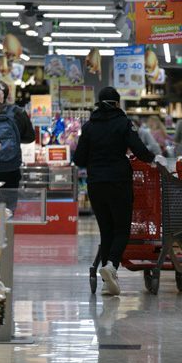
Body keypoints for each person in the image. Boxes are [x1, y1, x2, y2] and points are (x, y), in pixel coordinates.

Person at [73, 87, 167, 296]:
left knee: (106, 231)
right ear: (117, 104)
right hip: (119, 182)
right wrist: (155, 160)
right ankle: (111, 266)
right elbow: (139, 149)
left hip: (96, 184)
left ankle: (108, 282)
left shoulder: (88, 127)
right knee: (122, 229)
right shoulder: (123, 123)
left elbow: (78, 159)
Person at [0, 82, 35, 211]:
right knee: (9, 205)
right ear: (8, 94)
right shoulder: (17, 112)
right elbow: (30, 137)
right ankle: (7, 228)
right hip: (10, 167)